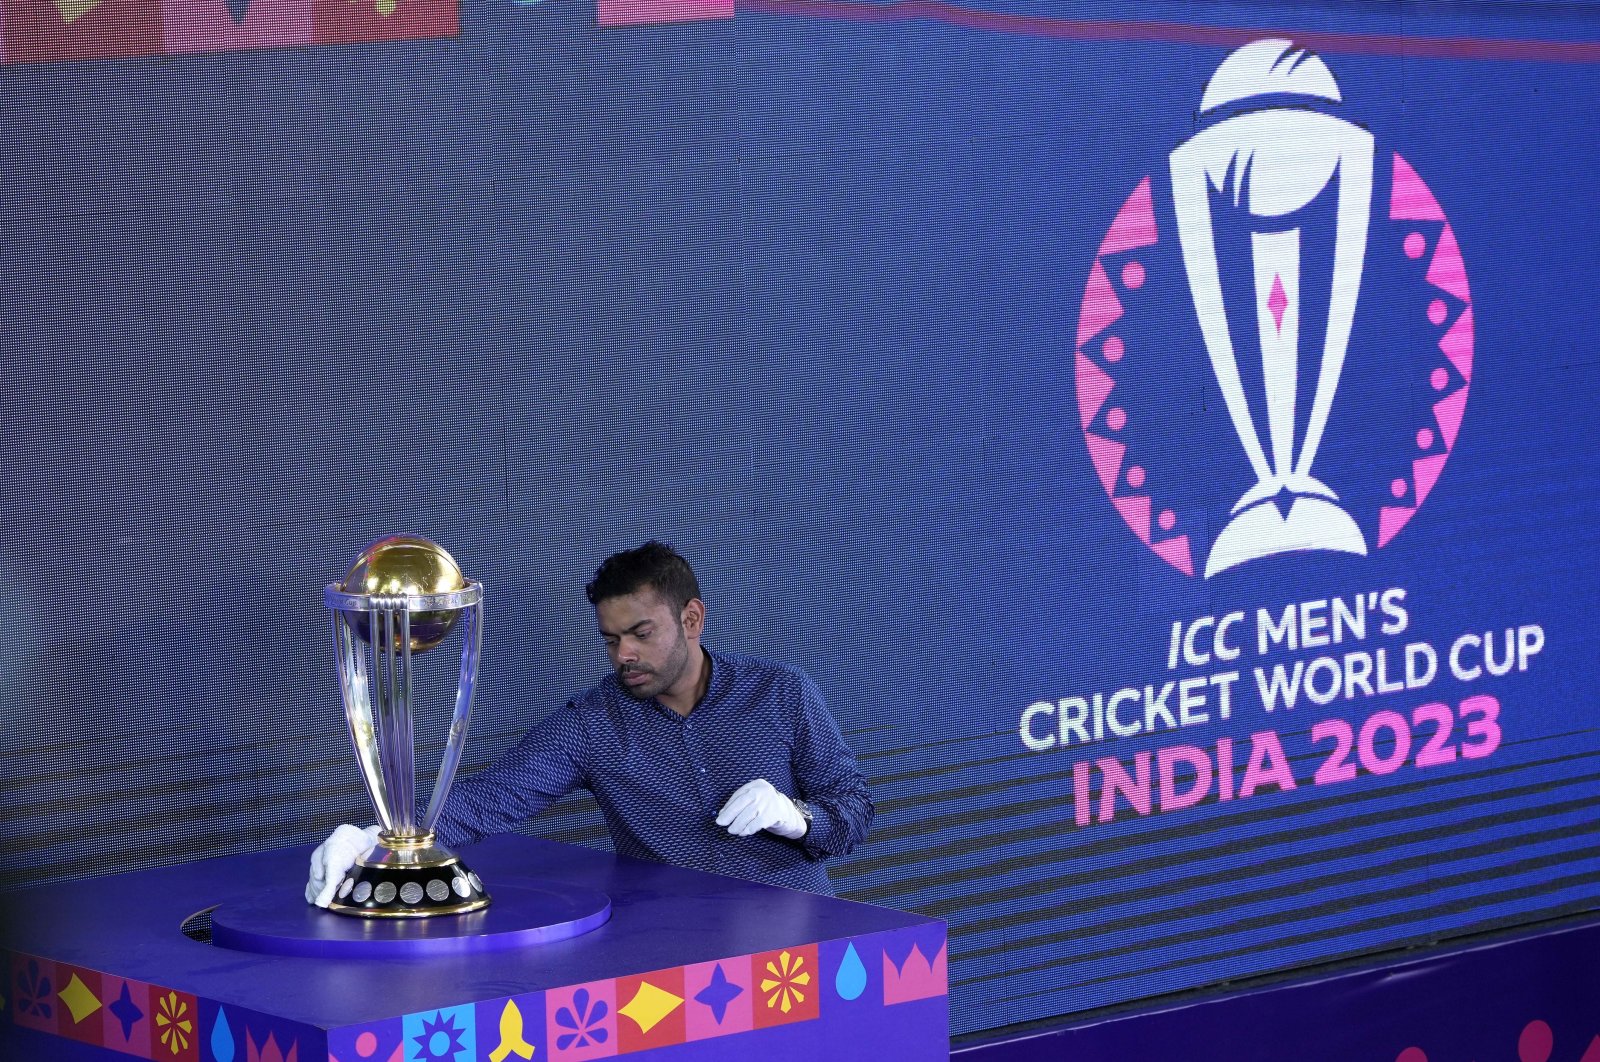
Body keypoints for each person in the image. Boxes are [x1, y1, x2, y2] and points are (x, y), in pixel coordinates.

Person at [306, 540, 873, 901]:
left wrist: (795, 817)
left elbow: (854, 814)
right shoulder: (592, 722)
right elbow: (491, 798)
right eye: (611, 639)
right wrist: (377, 841)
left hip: (800, 934)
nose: (623, 654)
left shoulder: (780, 690)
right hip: (675, 946)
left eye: (641, 634)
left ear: (692, 618)